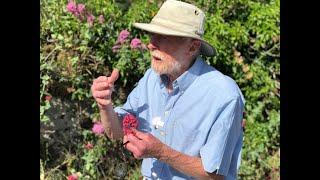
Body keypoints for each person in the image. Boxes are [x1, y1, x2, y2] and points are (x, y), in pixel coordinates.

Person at [91, 0, 245, 179]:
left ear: (193, 46)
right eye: (152, 35)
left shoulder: (224, 95)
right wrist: (105, 105)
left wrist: (161, 152)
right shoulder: (151, 78)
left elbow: (218, 176)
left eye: (164, 37)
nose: (151, 44)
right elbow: (116, 133)